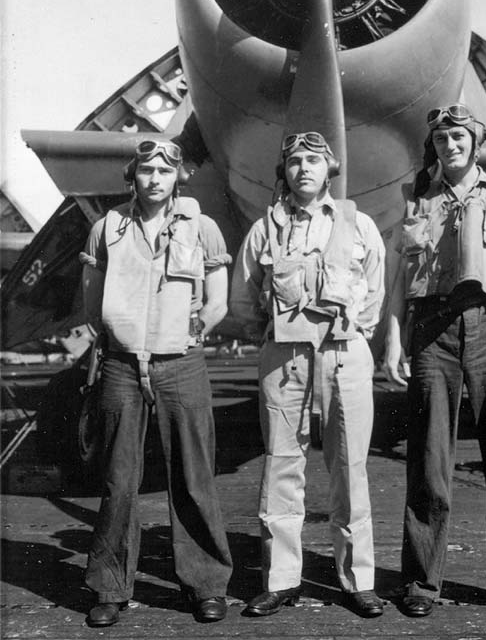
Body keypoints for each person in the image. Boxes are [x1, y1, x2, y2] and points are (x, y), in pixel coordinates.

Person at [383, 104, 486, 622]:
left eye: (457, 136)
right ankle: (421, 580)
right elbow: (398, 279)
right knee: (429, 460)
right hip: (433, 331)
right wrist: (393, 339)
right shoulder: (416, 198)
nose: (448, 145)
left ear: (475, 142)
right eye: (439, 138)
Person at [231, 131, 386, 618]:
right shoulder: (266, 229)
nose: (303, 168)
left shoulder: (359, 225)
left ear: (329, 170)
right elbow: (243, 297)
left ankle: (358, 581)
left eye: (313, 161)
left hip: (344, 355)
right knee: (281, 464)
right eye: (295, 161)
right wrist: (276, 339)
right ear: (285, 171)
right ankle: (281, 580)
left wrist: (352, 336)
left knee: (351, 469)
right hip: (285, 358)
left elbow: (375, 293)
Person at [79, 139, 232, 627]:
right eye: (146, 170)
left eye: (165, 170)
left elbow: (218, 299)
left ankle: (206, 585)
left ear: (178, 177)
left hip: (181, 364)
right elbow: (90, 300)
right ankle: (110, 586)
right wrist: (116, 337)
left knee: (193, 476)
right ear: (134, 175)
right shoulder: (108, 229)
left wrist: (194, 331)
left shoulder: (201, 228)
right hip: (122, 366)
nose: (154, 179)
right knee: (118, 479)